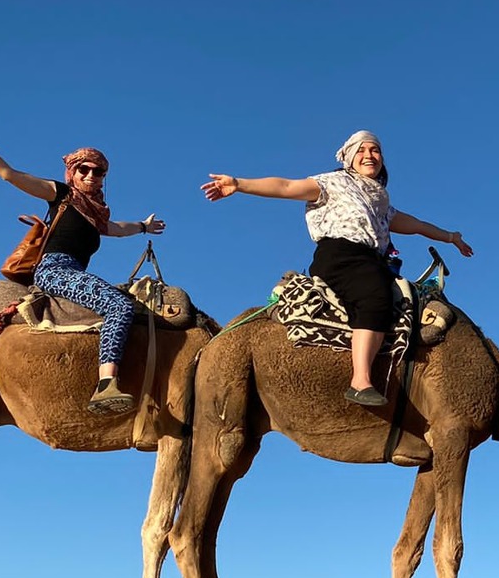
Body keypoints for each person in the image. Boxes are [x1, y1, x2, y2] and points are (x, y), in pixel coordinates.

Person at [201, 130, 474, 406]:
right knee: (375, 297)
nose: (369, 155)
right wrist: (238, 184)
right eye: (362, 150)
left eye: (375, 150)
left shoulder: (380, 203)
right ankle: (360, 381)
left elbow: (416, 225)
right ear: (349, 157)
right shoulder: (331, 183)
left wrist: (451, 237)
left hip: (372, 260)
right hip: (340, 255)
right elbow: (285, 187)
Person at [0, 103, 166, 415]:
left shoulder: (96, 214)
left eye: (98, 171)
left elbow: (115, 229)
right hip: (54, 270)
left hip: (73, 271)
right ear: (72, 172)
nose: (90, 175)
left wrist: (143, 226)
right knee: (119, 306)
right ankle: (106, 385)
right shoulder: (61, 195)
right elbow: (9, 174)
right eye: (83, 169)